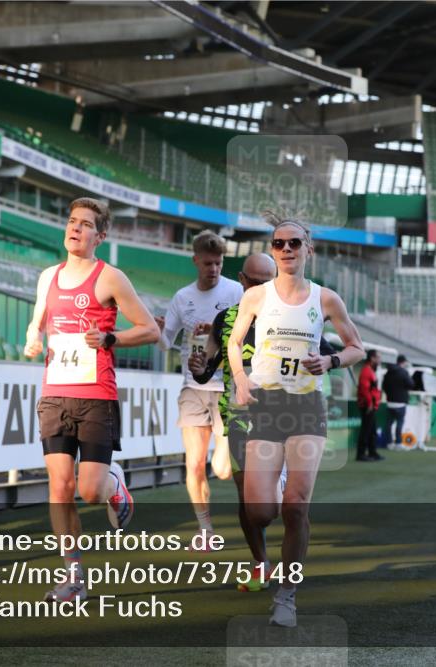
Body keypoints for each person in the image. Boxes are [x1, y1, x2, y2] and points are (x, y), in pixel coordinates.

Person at [229, 213, 365, 628]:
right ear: (272, 251)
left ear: (309, 249)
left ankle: (287, 596)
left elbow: (356, 347)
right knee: (259, 511)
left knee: (296, 506)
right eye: (279, 243)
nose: (286, 249)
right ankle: (279, 479)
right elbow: (234, 343)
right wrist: (240, 380)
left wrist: (330, 360)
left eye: (294, 243)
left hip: (306, 407)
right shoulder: (256, 297)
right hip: (266, 405)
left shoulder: (326, 299)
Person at [24, 197, 160, 602]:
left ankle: (114, 485)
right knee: (59, 486)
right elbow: (37, 321)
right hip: (55, 394)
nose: (75, 228)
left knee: (89, 491)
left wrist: (109, 338)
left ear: (100, 236)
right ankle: (73, 577)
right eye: (72, 221)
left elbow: (150, 329)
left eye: (85, 224)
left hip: (96, 395)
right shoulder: (48, 276)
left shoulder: (111, 278)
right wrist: (33, 338)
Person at [188, 253, 339, 593]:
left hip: (286, 413)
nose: (260, 287)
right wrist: (198, 368)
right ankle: (260, 563)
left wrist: (326, 362)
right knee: (247, 497)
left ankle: (286, 571)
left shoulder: (292, 313)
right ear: (242, 281)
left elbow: (326, 351)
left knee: (288, 505)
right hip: (239, 416)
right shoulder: (227, 319)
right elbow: (207, 370)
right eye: (253, 281)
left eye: (265, 280)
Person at [156, 230, 243, 544]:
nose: (214, 269)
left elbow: (248, 333)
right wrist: (157, 331)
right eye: (208, 263)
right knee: (193, 464)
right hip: (193, 387)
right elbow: (165, 343)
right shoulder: (183, 297)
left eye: (219, 263)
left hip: (226, 387)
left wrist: (218, 331)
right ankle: (205, 530)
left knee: (223, 469)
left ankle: (227, 458)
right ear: (196, 261)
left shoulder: (236, 291)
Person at [356, 349, 382, 461]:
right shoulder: (367, 371)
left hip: (371, 405)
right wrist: (370, 404)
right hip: (367, 405)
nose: (380, 360)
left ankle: (372, 452)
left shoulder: (370, 370)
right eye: (378, 358)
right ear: (372, 358)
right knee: (366, 430)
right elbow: (364, 389)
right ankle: (361, 454)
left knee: (372, 431)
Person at [381, 354, 412, 449]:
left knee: (389, 424)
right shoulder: (404, 372)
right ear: (404, 362)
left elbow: (384, 386)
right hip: (401, 403)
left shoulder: (388, 372)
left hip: (390, 402)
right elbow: (411, 384)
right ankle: (398, 443)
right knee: (399, 423)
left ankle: (389, 443)